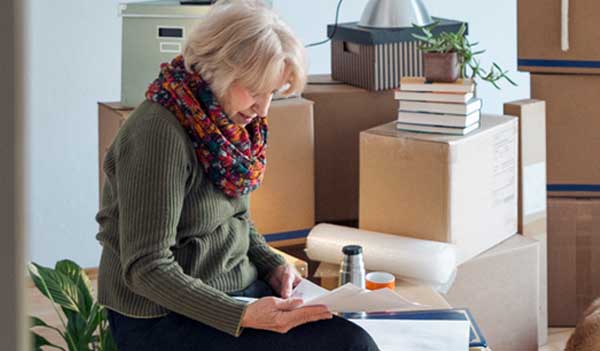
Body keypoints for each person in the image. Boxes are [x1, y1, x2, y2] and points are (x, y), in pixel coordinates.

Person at [95, 0, 379, 350]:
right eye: (256, 91)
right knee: (349, 346)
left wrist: (271, 264)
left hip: (234, 294)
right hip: (165, 317)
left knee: (354, 338)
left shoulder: (226, 122)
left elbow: (236, 217)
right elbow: (147, 267)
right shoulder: (157, 133)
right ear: (218, 69)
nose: (264, 108)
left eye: (272, 93)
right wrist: (242, 316)